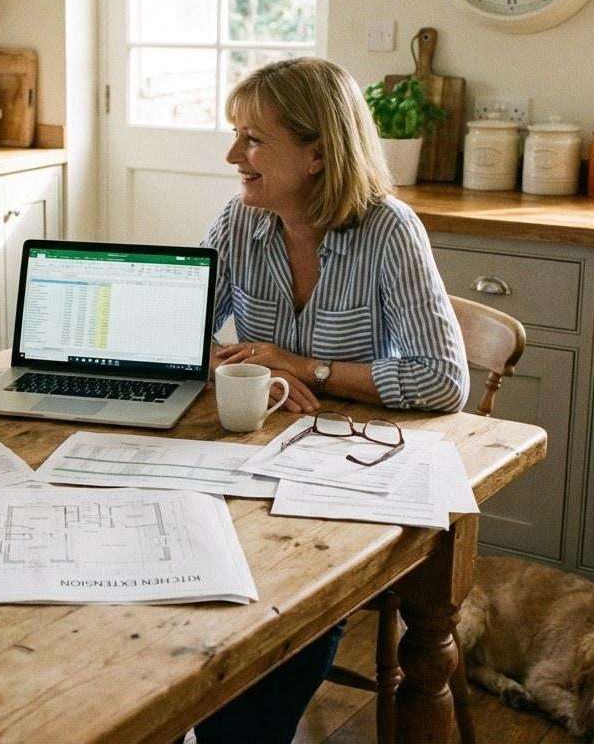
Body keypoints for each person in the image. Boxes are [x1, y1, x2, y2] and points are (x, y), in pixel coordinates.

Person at [193, 57, 468, 742]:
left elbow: (441, 378)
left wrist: (305, 368)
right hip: (250, 465)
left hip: (350, 484)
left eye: (253, 139)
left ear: (318, 153)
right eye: (236, 135)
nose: (234, 156)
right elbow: (176, 333)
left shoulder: (388, 229)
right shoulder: (239, 221)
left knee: (289, 619)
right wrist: (225, 362)